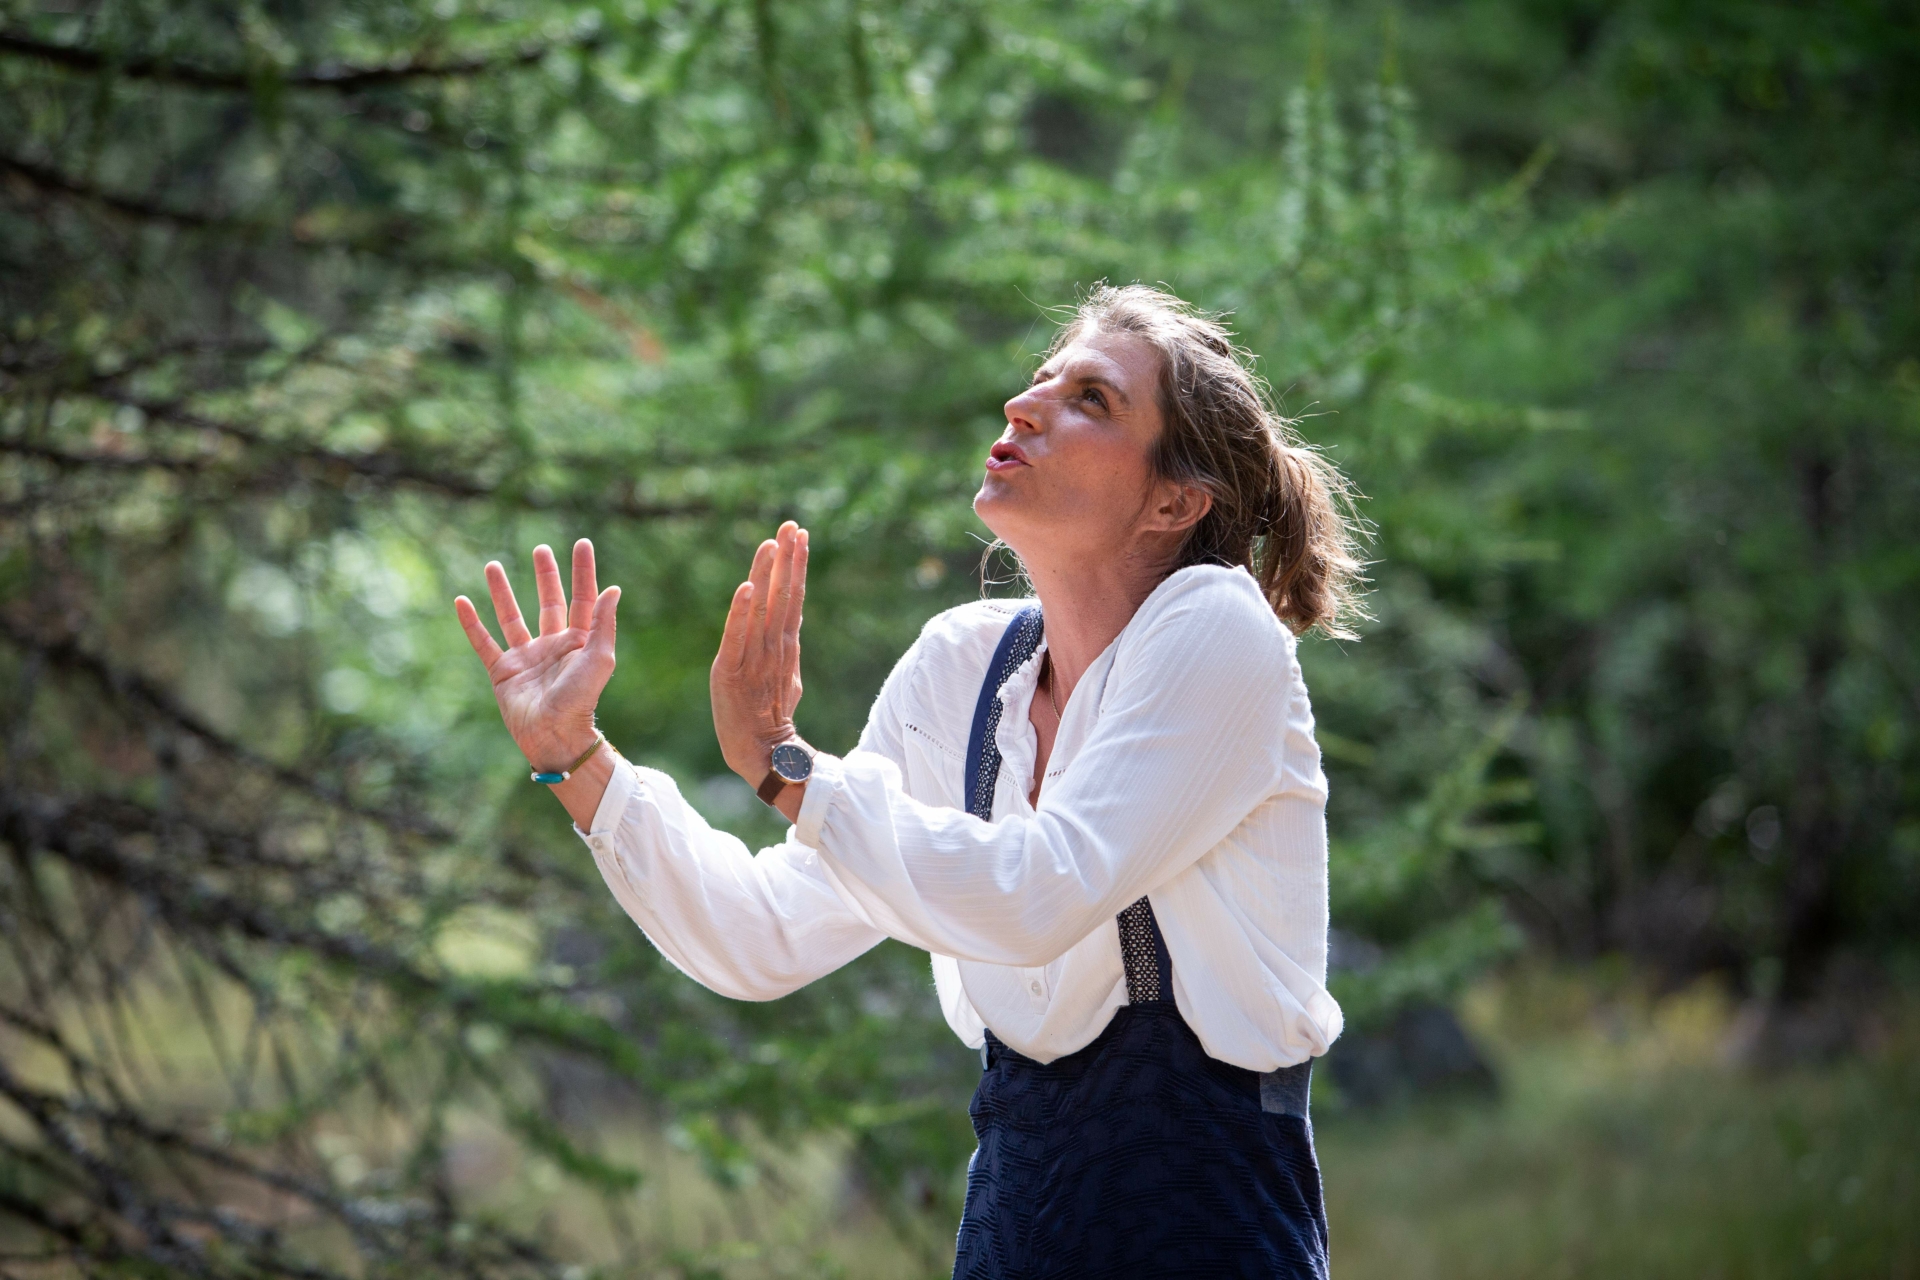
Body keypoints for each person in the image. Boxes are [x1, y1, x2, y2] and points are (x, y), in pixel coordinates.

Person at [455, 284, 1366, 1278]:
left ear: (1174, 501)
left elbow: (1040, 890)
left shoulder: (1220, 630)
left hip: (1211, 1234)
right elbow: (760, 935)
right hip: (1011, 1233)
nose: (1025, 406)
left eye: (1092, 399)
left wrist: (786, 766)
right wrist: (576, 755)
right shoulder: (961, 665)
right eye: (1039, 381)